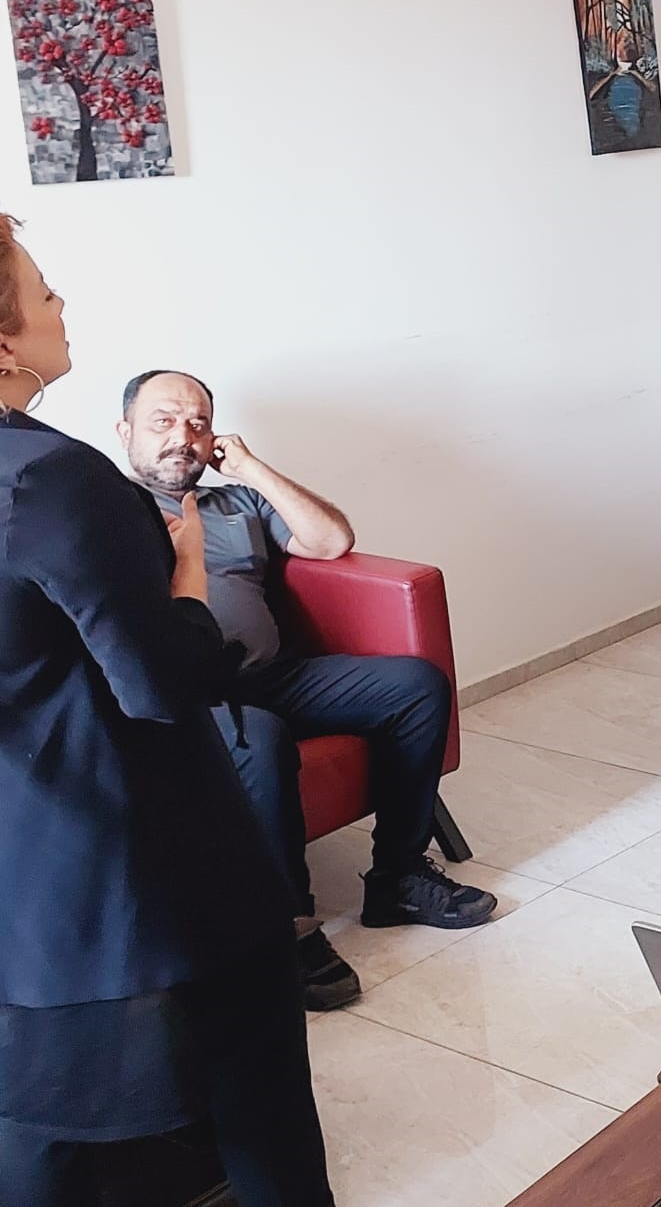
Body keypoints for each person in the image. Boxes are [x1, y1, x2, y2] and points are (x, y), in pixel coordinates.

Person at [0, 218, 333, 1206]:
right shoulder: (54, 480)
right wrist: (186, 581)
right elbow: (164, 681)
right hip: (133, 862)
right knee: (256, 1097)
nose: (61, 304)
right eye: (43, 290)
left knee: (38, 1123)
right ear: (5, 339)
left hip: (22, 869)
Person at [119, 371, 495, 1014]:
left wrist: (252, 469)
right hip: (191, 696)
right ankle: (285, 929)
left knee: (416, 686)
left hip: (273, 674)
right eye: (162, 422)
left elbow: (331, 541)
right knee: (259, 740)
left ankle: (397, 876)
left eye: (198, 423)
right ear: (124, 431)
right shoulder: (106, 516)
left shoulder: (234, 505)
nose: (182, 437)